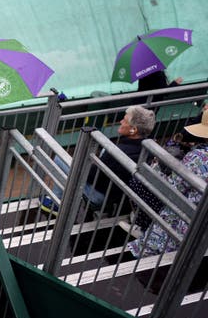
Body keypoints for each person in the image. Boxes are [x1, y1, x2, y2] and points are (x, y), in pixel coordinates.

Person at [41, 105, 156, 216]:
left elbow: (90, 176)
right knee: (99, 154)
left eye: (125, 121)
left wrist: (85, 164)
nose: (120, 122)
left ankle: (57, 203)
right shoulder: (149, 149)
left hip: (99, 195)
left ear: (133, 130)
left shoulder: (118, 152)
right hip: (119, 196)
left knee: (59, 159)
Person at [127, 110, 208, 258]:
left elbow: (173, 189)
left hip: (187, 219)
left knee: (141, 185)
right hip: (201, 221)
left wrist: (159, 168)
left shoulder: (198, 156)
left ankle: (143, 229)